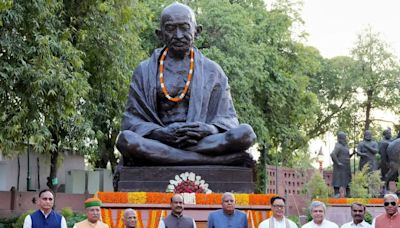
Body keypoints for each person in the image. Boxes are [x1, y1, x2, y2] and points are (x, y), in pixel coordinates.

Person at [116, 2, 256, 167]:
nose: (178, 35)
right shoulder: (144, 70)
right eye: (170, 29)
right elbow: (132, 121)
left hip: (202, 140)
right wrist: (161, 133)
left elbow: (228, 118)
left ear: (197, 32)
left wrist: (208, 129)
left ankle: (174, 158)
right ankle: (213, 161)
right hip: (161, 139)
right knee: (126, 140)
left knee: (246, 133)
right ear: (160, 34)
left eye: (184, 27)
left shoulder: (213, 71)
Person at [330, 132, 351, 196]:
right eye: (344, 138)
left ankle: (348, 193)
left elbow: (346, 156)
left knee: (348, 180)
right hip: (339, 167)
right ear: (340, 138)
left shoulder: (345, 146)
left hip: (346, 166)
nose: (345, 140)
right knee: (337, 179)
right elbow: (333, 154)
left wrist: (352, 154)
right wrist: (338, 162)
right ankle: (336, 193)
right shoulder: (338, 146)